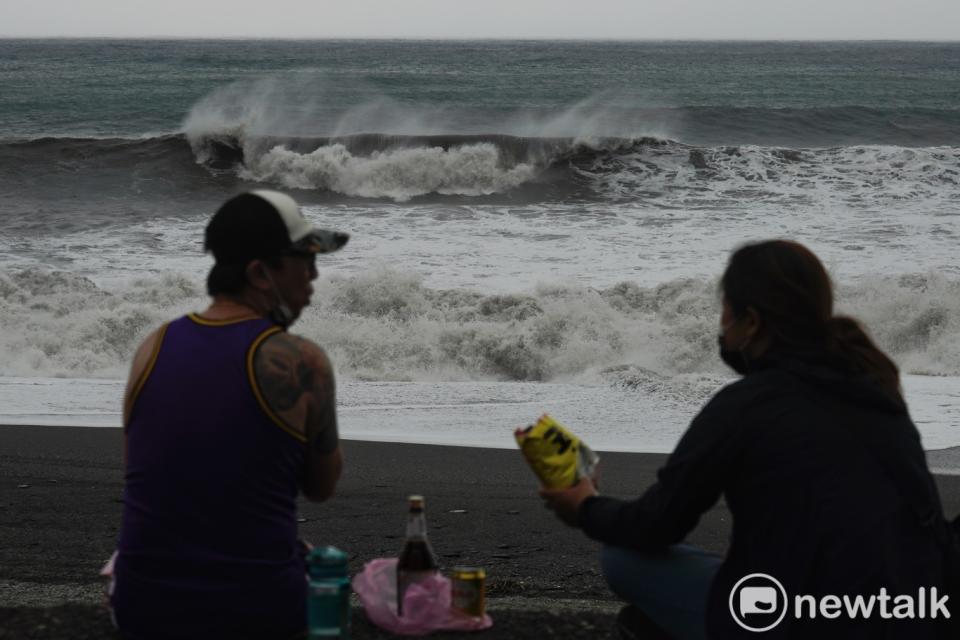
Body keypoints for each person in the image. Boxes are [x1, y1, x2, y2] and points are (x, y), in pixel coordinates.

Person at [540, 240, 958, 639]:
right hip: (915, 616)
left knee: (622, 558)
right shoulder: (877, 388)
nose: (721, 327)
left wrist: (585, 506)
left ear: (752, 322)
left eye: (725, 312)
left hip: (808, 625)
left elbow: (657, 523)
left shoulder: (748, 405)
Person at [110, 190, 349, 639]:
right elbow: (322, 486)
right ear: (261, 273)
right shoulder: (301, 361)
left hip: (141, 608)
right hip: (259, 611)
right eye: (305, 259)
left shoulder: (152, 347)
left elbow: (152, 475)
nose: (314, 277)